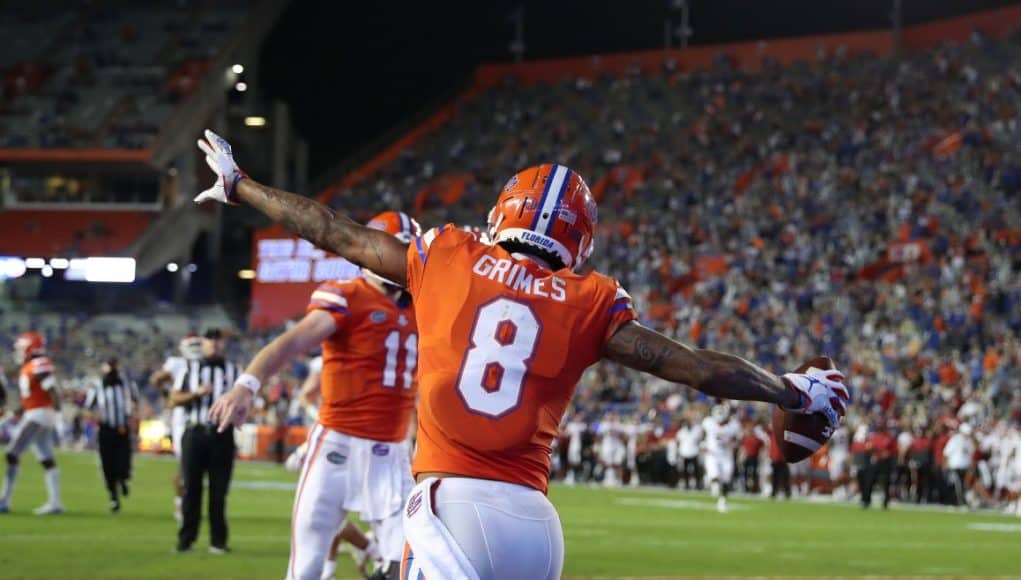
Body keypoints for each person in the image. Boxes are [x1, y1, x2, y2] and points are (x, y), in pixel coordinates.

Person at [195, 132, 850, 580]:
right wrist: (790, 393)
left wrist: (242, 187)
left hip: (451, 501)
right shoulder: (590, 298)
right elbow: (694, 366)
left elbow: (332, 230)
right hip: (536, 525)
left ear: (503, 212)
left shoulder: (446, 254)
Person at [212, 211, 420, 580]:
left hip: (391, 452)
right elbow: (293, 341)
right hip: (336, 445)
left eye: (406, 251)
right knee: (307, 564)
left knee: (405, 566)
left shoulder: (425, 305)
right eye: (394, 250)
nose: (401, 260)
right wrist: (247, 384)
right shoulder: (348, 295)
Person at [171, 328, 240, 554]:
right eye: (210, 341)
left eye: (218, 341)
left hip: (223, 434)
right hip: (195, 432)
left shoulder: (234, 371)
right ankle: (186, 540)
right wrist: (196, 394)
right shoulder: (189, 369)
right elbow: (175, 398)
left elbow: (245, 402)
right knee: (191, 488)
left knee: (219, 491)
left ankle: (218, 542)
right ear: (203, 344)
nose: (215, 345)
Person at [0, 332, 63, 515]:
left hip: (39, 414)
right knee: (46, 457)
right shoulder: (29, 366)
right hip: (38, 413)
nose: (18, 352)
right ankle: (55, 502)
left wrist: (59, 417)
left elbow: (52, 390)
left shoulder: (38, 363)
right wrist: (16, 412)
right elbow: (32, 396)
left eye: (21, 348)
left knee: (12, 453)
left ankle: (4, 500)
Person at [150, 334, 202, 521]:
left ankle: (189, 505)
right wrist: (167, 397)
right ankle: (181, 504)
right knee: (185, 465)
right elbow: (156, 379)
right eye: (193, 344)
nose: (196, 348)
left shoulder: (207, 364)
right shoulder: (177, 363)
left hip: (201, 419)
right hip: (182, 419)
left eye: (198, 344)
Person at [84, 358, 137, 513]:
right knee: (107, 464)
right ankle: (113, 496)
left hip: (122, 428)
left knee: (123, 459)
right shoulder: (97, 386)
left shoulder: (127, 385)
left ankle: (123, 479)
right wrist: (97, 419)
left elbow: (135, 402)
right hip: (106, 428)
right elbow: (88, 408)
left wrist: (130, 417)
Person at [702, 402, 741, 512]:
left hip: (726, 456)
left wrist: (732, 444)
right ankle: (712, 481)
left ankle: (723, 500)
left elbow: (737, 442)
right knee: (714, 476)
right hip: (712, 454)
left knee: (726, 480)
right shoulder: (708, 423)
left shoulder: (733, 426)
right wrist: (703, 444)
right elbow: (703, 434)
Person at [675, 416, 703, 490]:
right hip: (684, 453)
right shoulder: (681, 431)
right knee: (685, 470)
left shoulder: (696, 430)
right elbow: (678, 441)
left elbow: (700, 439)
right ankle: (687, 484)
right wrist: (679, 451)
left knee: (696, 470)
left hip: (694, 452)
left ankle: (698, 485)